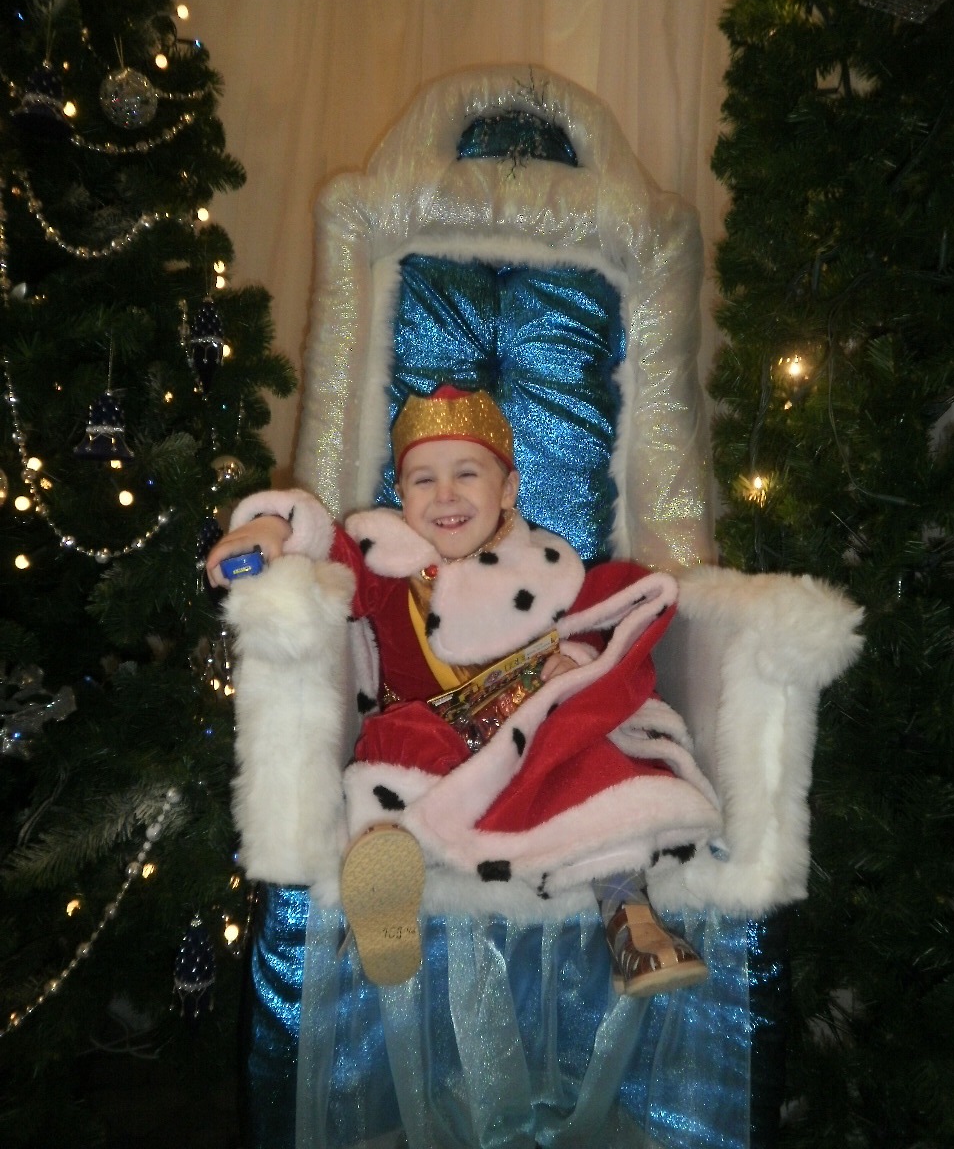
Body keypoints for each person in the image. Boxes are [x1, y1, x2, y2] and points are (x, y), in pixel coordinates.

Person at [207, 384, 720, 995]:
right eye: (423, 480)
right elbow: (322, 545)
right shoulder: (388, 564)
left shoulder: (545, 567)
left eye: (466, 474)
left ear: (507, 490)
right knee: (393, 747)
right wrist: (268, 526)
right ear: (401, 496)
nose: (445, 495)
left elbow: (591, 624)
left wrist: (573, 663)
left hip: (531, 745)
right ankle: (387, 885)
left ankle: (628, 915)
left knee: (592, 763)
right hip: (433, 748)